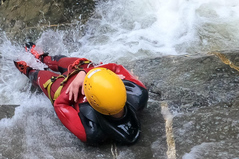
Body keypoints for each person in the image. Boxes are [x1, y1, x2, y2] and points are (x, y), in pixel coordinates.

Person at [14, 43, 148, 145]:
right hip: (84, 69)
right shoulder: (138, 93)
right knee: (63, 61)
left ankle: (28, 70)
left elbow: (59, 104)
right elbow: (114, 67)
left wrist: (70, 90)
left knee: (42, 77)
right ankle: (43, 58)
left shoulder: (90, 131)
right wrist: (84, 73)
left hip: (64, 88)